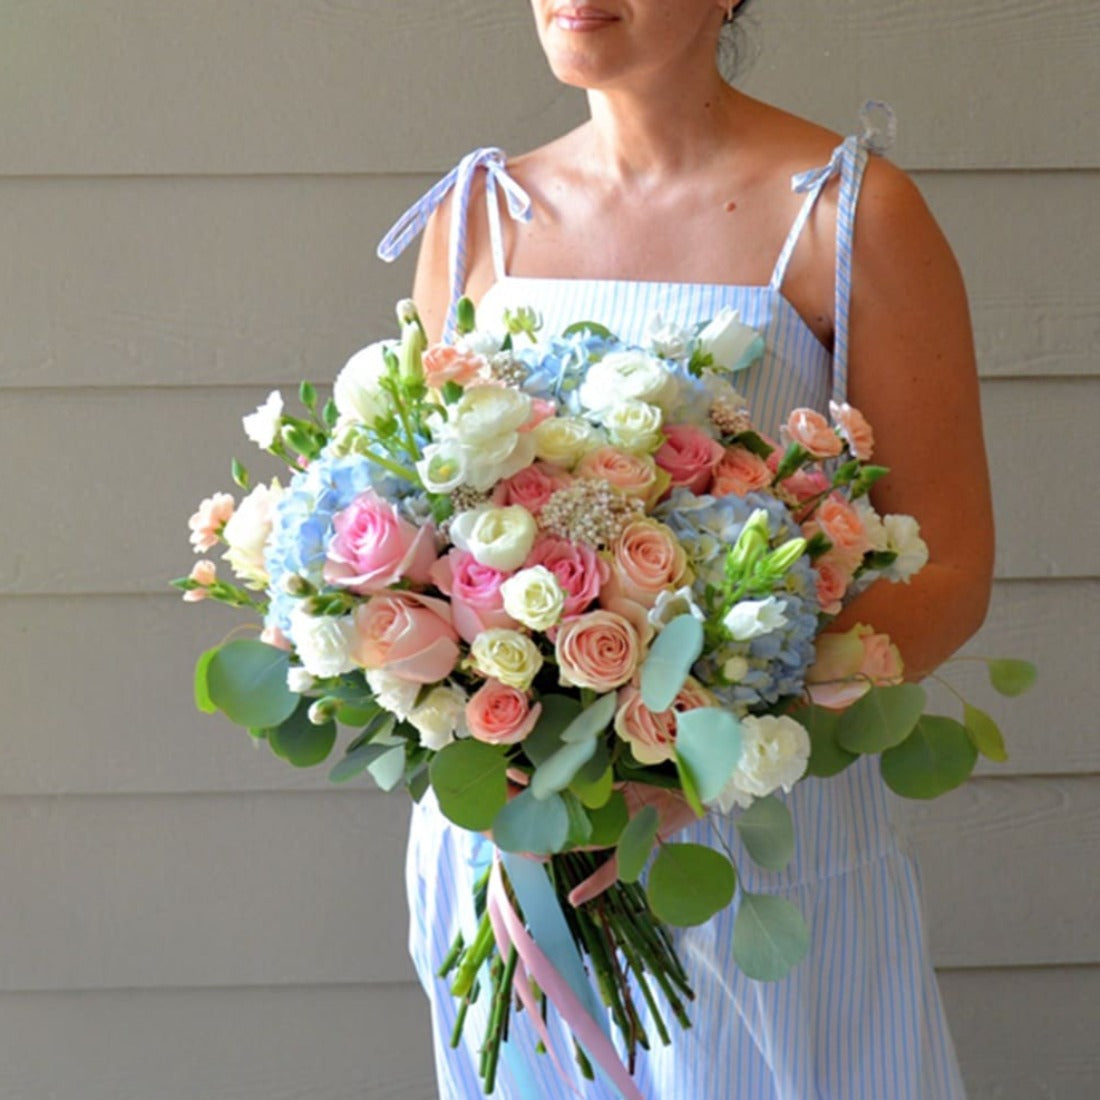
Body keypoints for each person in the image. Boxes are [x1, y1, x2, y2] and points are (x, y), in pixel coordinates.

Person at [378, 2, 993, 1096]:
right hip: (509, 855)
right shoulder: (477, 217)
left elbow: (945, 572)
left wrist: (680, 758)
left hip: (754, 851)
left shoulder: (846, 216)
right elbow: (422, 522)